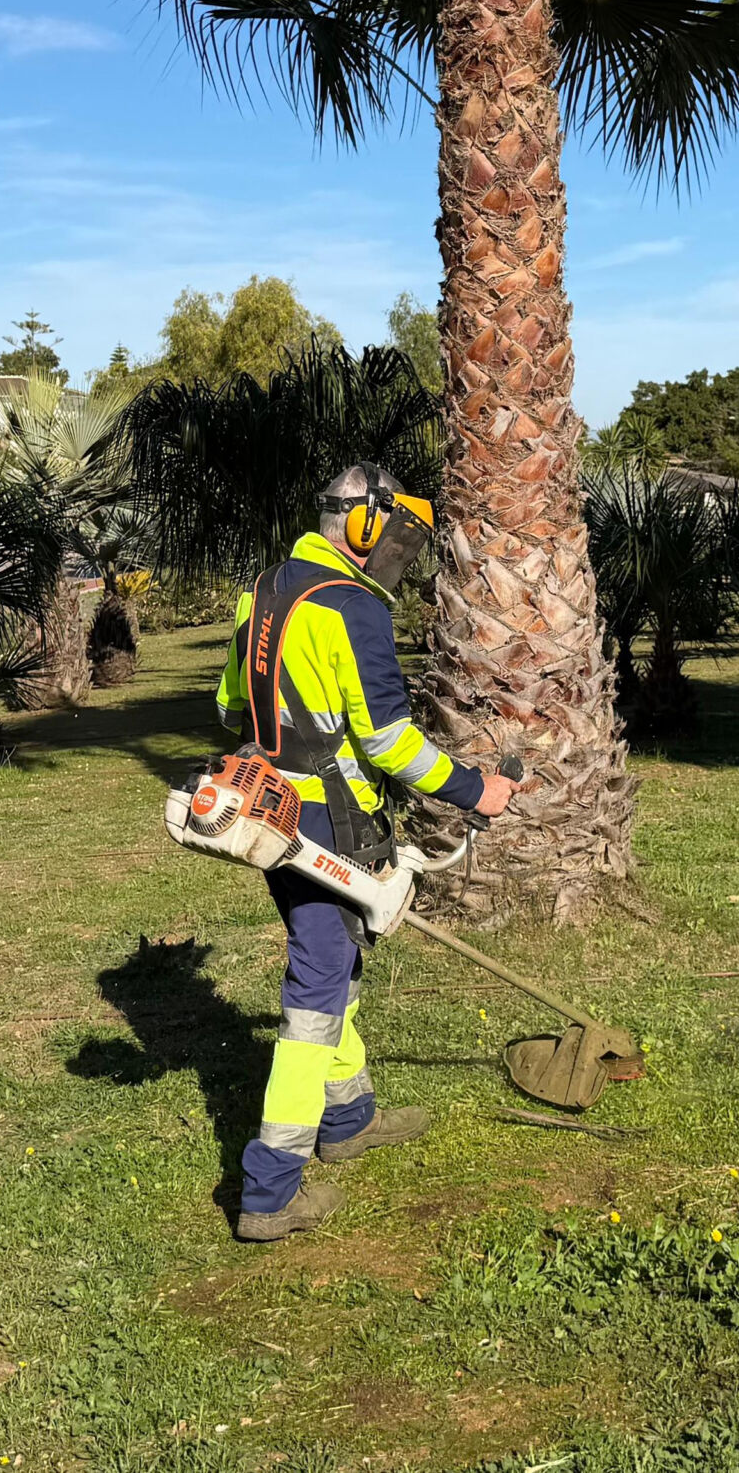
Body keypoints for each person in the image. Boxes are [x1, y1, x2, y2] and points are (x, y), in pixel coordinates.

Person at [213, 463, 516, 1241]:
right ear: (363, 523)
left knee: (334, 960)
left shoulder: (266, 587)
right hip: (329, 823)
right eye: (397, 536)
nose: (397, 556)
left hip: (265, 809)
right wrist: (473, 788)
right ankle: (270, 1190)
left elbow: (225, 703)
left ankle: (347, 1119)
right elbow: (388, 741)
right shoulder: (350, 605)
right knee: (316, 989)